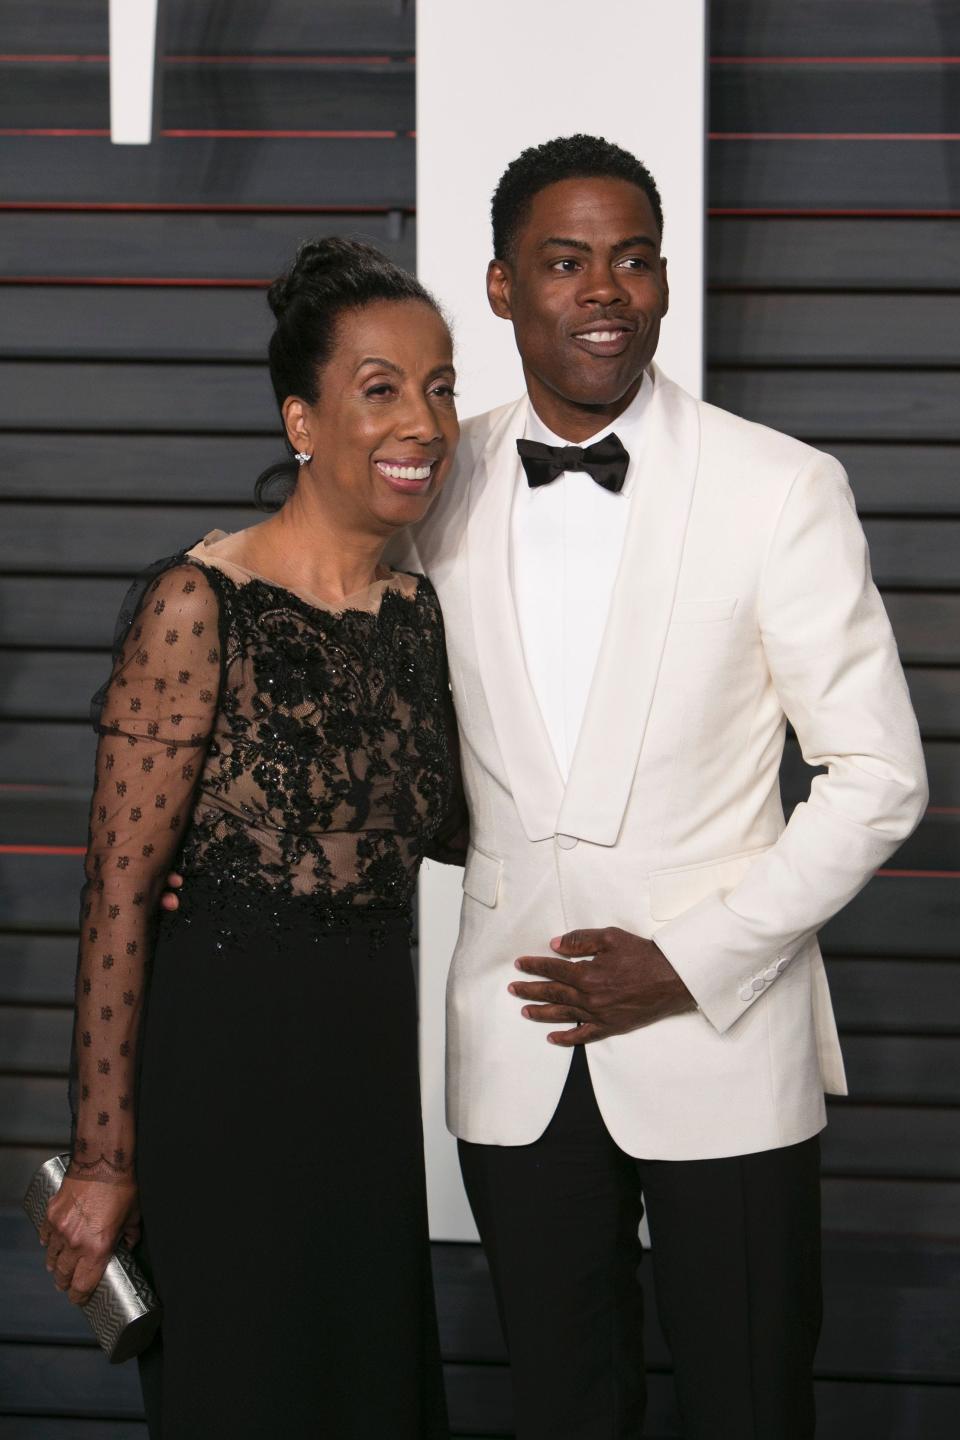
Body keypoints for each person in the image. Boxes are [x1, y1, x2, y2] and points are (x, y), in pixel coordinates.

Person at [393, 135, 928, 1438]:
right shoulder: (430, 482)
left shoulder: (780, 486)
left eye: (634, 259)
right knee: (565, 1412)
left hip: (722, 1037)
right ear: (502, 287)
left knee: (753, 1407)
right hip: (515, 1040)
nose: (606, 292)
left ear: (667, 278)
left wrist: (688, 960)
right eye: (566, 262)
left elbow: (879, 777)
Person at [39, 238, 465, 1439]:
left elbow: (457, 829)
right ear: (302, 419)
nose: (424, 421)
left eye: (439, 386)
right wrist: (105, 1160)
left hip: (367, 1089)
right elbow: (117, 901)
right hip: (223, 1082)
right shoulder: (198, 602)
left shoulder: (420, 611)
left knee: (367, 1393)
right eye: (380, 388)